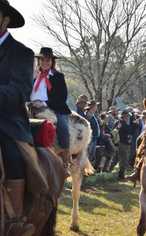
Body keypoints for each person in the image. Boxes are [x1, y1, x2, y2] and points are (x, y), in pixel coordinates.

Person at [0, 1, 47, 234]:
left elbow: (19, 91)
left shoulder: (21, 52)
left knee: (11, 156)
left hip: (7, 120)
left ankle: (14, 219)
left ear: (5, 19)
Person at [30, 47, 72, 177]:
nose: (45, 63)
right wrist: (31, 78)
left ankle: (66, 163)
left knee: (63, 128)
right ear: (39, 61)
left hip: (53, 107)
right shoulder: (31, 74)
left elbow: (62, 96)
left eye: (48, 60)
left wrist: (44, 103)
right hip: (30, 106)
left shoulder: (58, 76)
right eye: (42, 60)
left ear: (52, 61)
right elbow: (23, 91)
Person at [109, 110, 133, 181]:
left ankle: (108, 171)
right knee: (124, 160)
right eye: (128, 116)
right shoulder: (124, 124)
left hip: (117, 143)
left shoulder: (116, 122)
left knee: (115, 159)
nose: (128, 118)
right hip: (123, 144)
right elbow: (131, 131)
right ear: (125, 117)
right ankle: (121, 176)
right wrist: (136, 124)